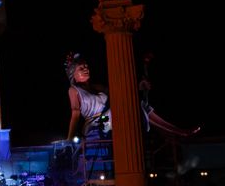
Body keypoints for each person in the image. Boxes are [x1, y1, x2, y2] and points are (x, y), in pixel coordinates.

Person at [65, 53, 197, 141]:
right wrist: (69, 139)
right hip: (97, 122)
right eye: (81, 68)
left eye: (86, 66)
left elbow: (121, 93)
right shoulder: (74, 90)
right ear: (73, 75)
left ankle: (175, 131)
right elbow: (75, 114)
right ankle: (177, 132)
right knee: (118, 108)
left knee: (137, 103)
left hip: (108, 117)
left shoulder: (97, 86)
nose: (86, 69)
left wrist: (139, 87)